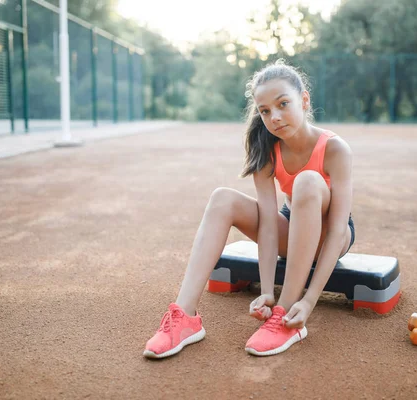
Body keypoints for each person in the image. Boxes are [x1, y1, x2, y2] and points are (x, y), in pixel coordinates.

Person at [143, 59, 354, 358]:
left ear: (304, 99)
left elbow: (336, 229)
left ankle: (286, 318)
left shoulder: (335, 148)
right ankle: (184, 317)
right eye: (265, 111)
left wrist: (308, 300)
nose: (275, 117)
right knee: (222, 198)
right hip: (290, 231)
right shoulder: (267, 149)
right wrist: (267, 289)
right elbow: (269, 223)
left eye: (283, 104)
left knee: (307, 181)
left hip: (333, 235)